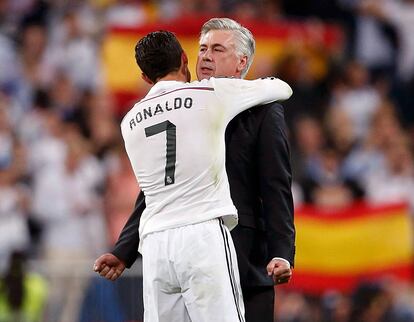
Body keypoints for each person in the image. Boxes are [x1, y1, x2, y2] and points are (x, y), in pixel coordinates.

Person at [94, 18, 296, 322]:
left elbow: (276, 186)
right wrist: (125, 248)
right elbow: (158, 189)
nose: (206, 56)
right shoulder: (190, 105)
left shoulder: (264, 113)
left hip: (245, 257)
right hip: (197, 247)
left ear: (242, 62)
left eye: (217, 49)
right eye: (202, 48)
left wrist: (281, 251)